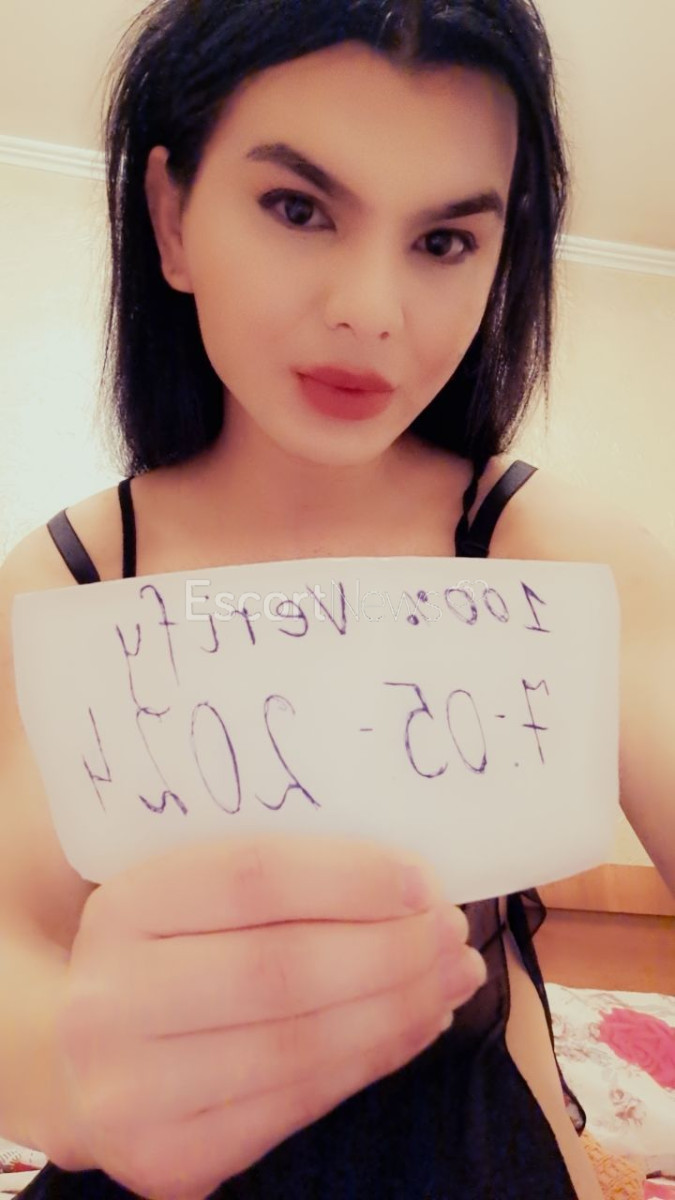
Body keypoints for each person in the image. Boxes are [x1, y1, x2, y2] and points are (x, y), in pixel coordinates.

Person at [0, 0, 673, 1197]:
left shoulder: (551, 557)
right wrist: (62, 1068)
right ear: (173, 219)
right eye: (299, 208)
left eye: (444, 240)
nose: (373, 308)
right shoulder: (65, 583)